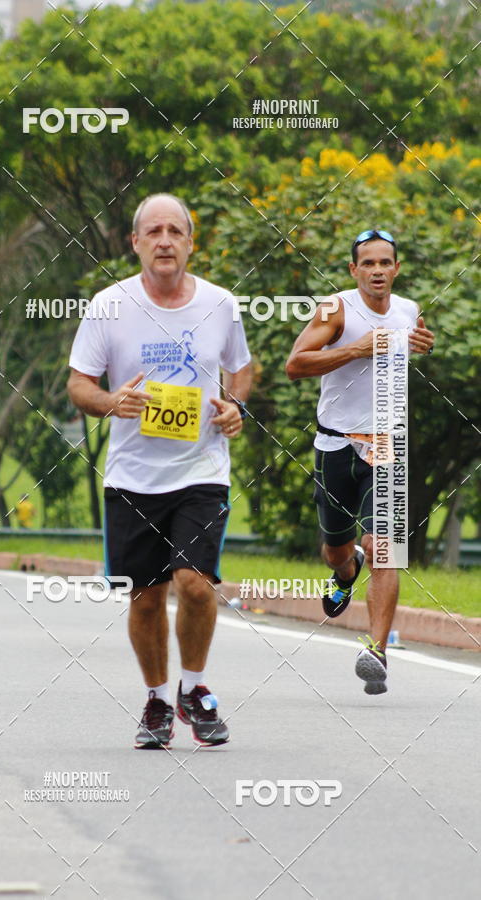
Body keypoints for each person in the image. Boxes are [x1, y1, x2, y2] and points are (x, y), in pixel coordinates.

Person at [68, 193, 252, 748]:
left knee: (194, 585)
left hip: (202, 471)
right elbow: (79, 384)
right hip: (132, 477)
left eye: (175, 231)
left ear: (191, 243)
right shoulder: (109, 306)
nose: (165, 241)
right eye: (154, 231)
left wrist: (235, 406)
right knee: (145, 597)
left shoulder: (221, 304)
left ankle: (194, 689)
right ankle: (156, 701)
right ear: (136, 243)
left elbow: (240, 369)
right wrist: (111, 402)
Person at [286, 229, 434, 695]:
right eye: (367, 263)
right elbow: (295, 364)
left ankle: (377, 651)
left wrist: (422, 344)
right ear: (354, 270)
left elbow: (414, 341)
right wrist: (355, 348)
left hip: (387, 445)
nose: (377, 270)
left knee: (383, 547)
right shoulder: (335, 309)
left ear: (397, 268)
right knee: (337, 548)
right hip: (336, 444)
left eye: (385, 262)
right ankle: (345, 571)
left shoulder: (409, 310)